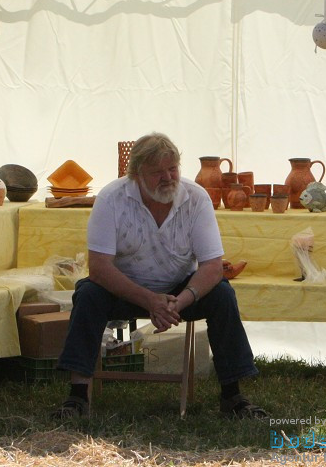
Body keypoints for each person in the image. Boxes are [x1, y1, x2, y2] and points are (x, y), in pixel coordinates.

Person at [52, 132, 267, 419]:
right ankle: (77, 398)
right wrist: (150, 300)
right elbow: (100, 267)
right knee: (88, 294)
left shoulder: (196, 198)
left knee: (222, 294)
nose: (168, 177)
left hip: (179, 291)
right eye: (157, 172)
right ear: (136, 175)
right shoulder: (111, 198)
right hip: (125, 289)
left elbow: (212, 266)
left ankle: (233, 396)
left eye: (173, 168)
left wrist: (178, 302)